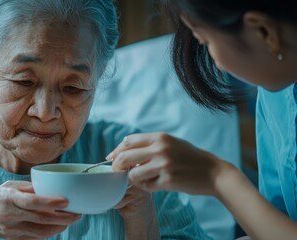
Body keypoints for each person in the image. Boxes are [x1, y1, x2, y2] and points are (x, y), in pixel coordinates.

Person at [0, 0, 211, 239]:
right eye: (24, 81)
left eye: (74, 87)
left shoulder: (131, 163)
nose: (46, 111)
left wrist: (142, 219)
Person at [109, 1, 297, 239]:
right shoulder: (275, 93)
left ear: (263, 32)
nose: (215, 62)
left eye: (206, 41)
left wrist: (217, 177)